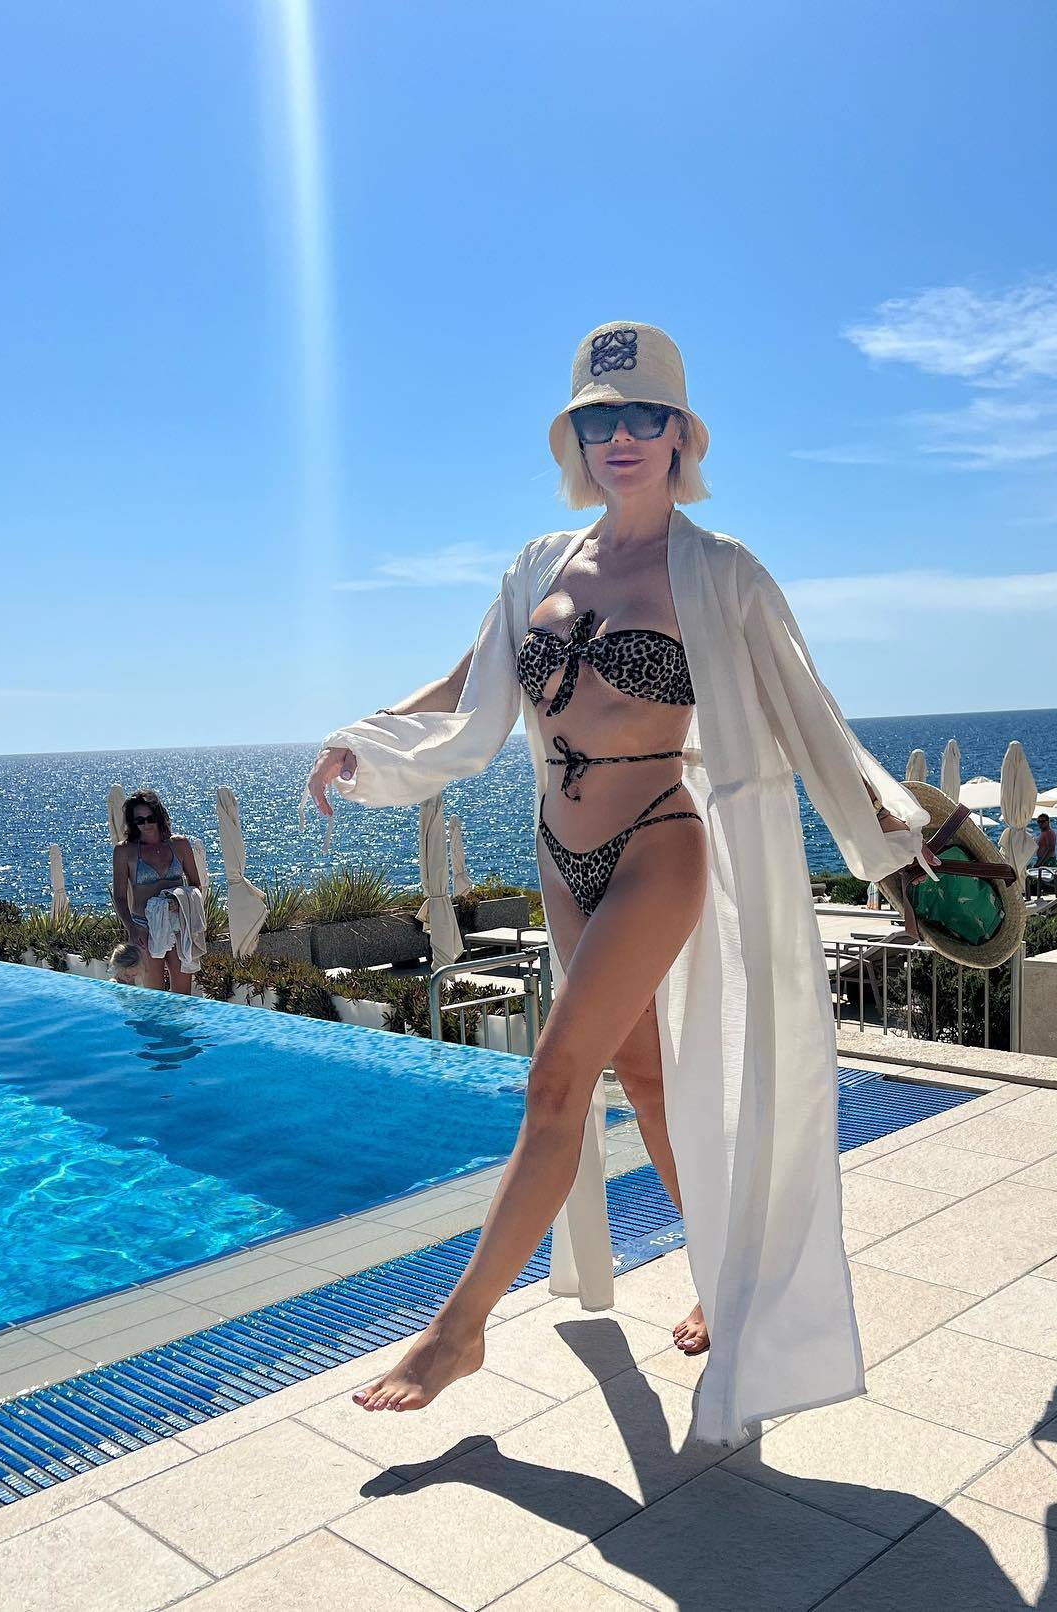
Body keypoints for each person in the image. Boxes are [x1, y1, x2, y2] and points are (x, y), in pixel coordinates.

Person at [304, 322, 938, 1445]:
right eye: (600, 416)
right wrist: (362, 736)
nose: (622, 435)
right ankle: (721, 1280)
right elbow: (467, 683)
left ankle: (458, 1330)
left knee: (554, 1082)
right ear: (577, 436)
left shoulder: (721, 571)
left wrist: (893, 833)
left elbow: (810, 712)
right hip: (560, 851)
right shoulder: (539, 566)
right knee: (641, 1079)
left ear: (682, 434)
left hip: (656, 839)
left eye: (646, 414)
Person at [111, 789, 203, 994]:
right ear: (132, 822)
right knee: (154, 996)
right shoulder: (124, 851)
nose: (146, 824)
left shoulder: (180, 845)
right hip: (145, 929)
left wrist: (179, 902)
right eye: (140, 820)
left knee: (182, 995)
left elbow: (196, 885)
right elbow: (120, 896)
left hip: (179, 925)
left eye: (150, 818)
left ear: (159, 816)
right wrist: (132, 929)